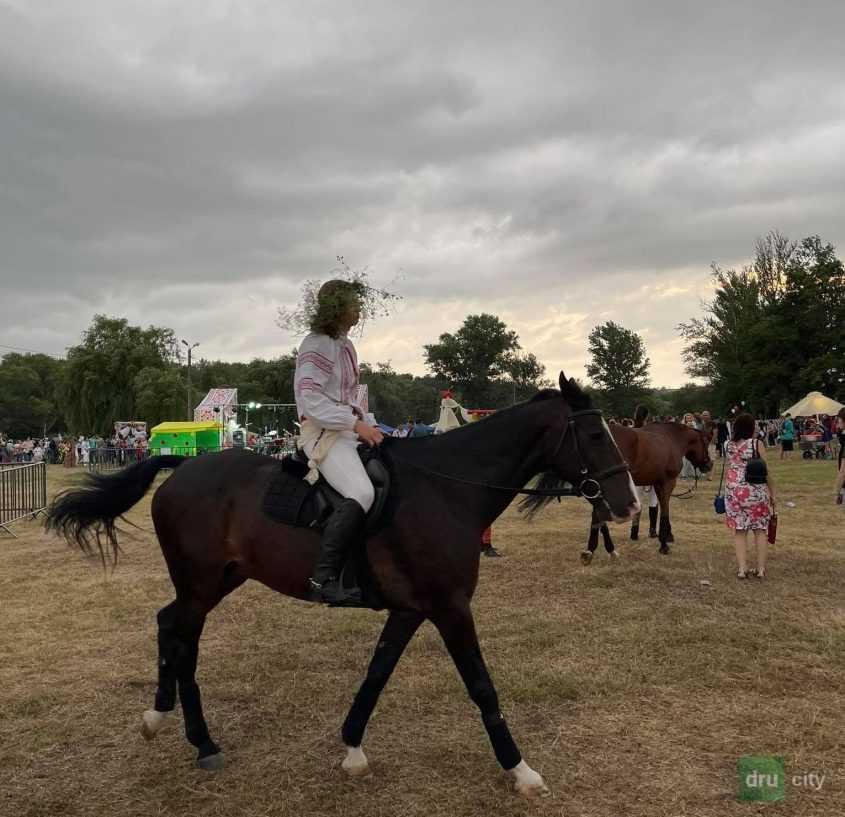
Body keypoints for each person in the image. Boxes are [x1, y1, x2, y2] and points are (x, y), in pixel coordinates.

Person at [293, 279, 383, 606]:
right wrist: (356, 424)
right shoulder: (316, 344)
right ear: (336, 307)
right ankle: (323, 578)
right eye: (354, 303)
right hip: (321, 436)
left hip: (345, 431)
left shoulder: (346, 346)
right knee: (362, 492)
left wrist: (370, 425)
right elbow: (311, 400)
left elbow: (348, 399)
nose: (360, 309)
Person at [725, 413, 775, 579]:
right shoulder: (756, 444)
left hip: (733, 491)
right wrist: (772, 492)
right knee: (760, 529)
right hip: (754, 490)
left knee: (739, 530)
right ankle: (760, 569)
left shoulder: (729, 445)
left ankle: (742, 568)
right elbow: (765, 470)